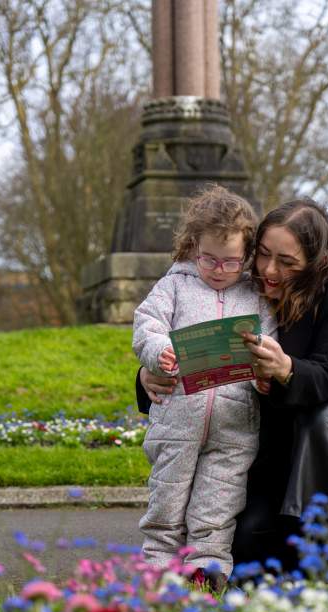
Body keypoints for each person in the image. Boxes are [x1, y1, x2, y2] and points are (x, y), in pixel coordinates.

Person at [137, 197, 328, 571]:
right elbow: (197, 342)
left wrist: (288, 370)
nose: (269, 270)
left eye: (287, 263)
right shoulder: (238, 285)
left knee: (322, 419)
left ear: (314, 263)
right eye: (264, 254)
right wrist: (148, 375)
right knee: (246, 551)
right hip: (278, 450)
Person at [132, 185, 276, 583]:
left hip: (234, 426)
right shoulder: (175, 285)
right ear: (193, 246)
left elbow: (272, 342)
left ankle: (206, 571)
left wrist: (265, 374)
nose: (217, 269)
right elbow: (147, 323)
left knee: (218, 506)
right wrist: (159, 349)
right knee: (166, 503)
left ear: (246, 256)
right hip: (176, 423)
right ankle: (159, 571)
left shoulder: (255, 296)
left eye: (230, 262)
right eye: (209, 258)